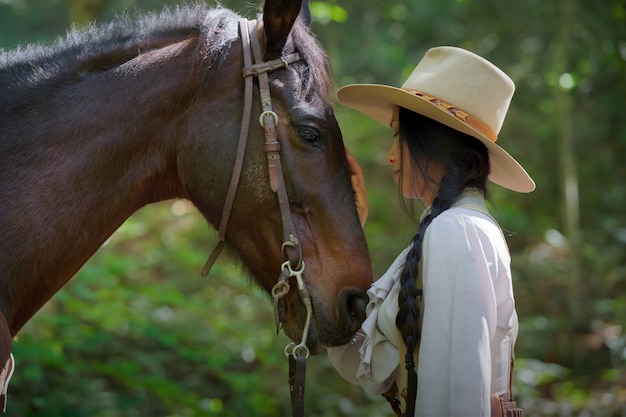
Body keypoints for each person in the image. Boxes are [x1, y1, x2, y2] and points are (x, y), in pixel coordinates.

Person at [327, 46, 535, 416]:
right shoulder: (454, 227)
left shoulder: (457, 231)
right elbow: (366, 364)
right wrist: (344, 236)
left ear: (434, 142)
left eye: (397, 136)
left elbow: (455, 397)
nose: (389, 155)